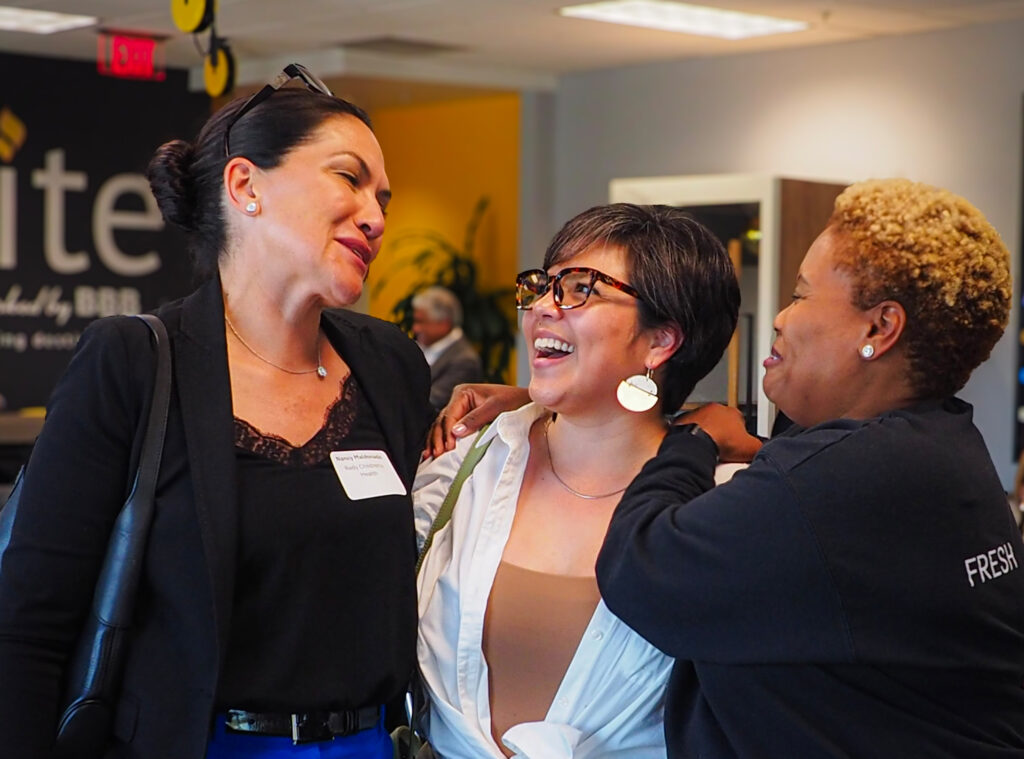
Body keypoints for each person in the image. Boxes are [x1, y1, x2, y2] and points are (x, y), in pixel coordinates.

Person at [0, 64, 434, 759]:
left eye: (382, 195)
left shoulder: (391, 365)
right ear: (245, 186)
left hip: (369, 744)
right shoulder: (135, 362)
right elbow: (28, 623)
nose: (376, 216)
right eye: (348, 178)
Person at [594, 179, 1024, 757]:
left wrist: (693, 440)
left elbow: (638, 567)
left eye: (799, 295)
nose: (778, 318)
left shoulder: (851, 479)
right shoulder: (941, 447)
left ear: (879, 328)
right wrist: (540, 404)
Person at [413, 203, 741, 758]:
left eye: (580, 289)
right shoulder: (468, 466)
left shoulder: (722, 509)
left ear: (661, 341)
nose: (542, 307)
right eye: (543, 286)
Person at [411, 286, 484, 411]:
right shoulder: (418, 347)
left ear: (444, 323)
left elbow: (431, 402)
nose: (415, 328)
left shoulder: (464, 361)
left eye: (421, 321)